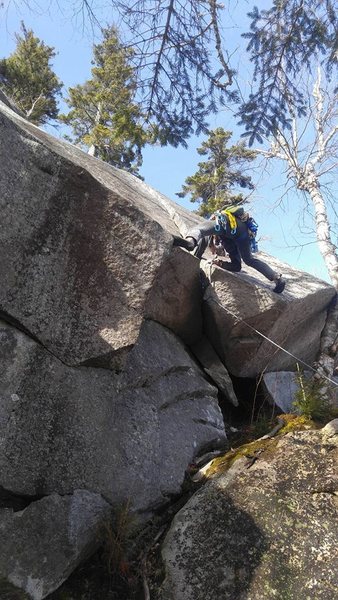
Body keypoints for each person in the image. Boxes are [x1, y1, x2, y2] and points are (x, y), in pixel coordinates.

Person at [173, 211, 286, 293]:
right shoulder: (229, 244)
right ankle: (277, 278)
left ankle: (189, 243)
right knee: (249, 259)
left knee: (199, 230)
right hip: (242, 233)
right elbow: (236, 266)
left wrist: (197, 255)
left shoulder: (217, 232)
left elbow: (204, 234)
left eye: (214, 250)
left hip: (226, 222)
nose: (213, 252)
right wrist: (221, 263)